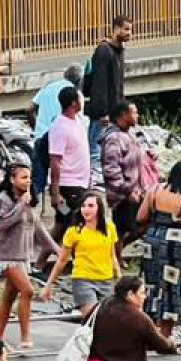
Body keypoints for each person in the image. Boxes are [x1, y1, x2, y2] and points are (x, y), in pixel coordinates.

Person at [0, 163, 60, 352]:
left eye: (29, 177)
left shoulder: (28, 201)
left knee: (8, 298)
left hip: (23, 257)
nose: (27, 181)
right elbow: (1, 225)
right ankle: (25, 335)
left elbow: (38, 227)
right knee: (27, 290)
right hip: (8, 256)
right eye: (23, 177)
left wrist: (55, 249)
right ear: (12, 179)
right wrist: (21, 205)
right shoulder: (4, 199)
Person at [135, 159, 181, 330]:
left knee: (152, 284)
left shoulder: (155, 190)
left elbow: (140, 218)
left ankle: (149, 330)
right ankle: (165, 334)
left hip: (153, 242)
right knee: (173, 288)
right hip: (178, 247)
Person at [84, 277, 176, 361]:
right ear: (130, 294)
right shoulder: (138, 318)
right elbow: (161, 345)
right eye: (142, 293)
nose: (145, 297)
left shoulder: (98, 308)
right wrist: (171, 343)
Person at [43, 192, 120, 311]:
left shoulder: (110, 228)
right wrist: (49, 285)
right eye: (83, 206)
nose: (86, 210)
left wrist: (120, 280)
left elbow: (113, 256)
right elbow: (61, 261)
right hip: (83, 279)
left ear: (99, 208)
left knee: (106, 320)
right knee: (92, 316)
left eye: (90, 206)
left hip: (106, 280)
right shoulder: (74, 232)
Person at [28, 64, 81, 201]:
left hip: (41, 136)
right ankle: (60, 205)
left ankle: (30, 209)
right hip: (61, 139)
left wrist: (37, 128)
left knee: (37, 179)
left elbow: (30, 108)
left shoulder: (48, 87)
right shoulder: (75, 95)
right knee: (62, 176)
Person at [99, 101, 149, 245]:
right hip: (123, 194)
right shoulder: (114, 138)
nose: (137, 116)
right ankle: (115, 257)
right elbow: (111, 168)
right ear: (124, 115)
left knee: (130, 228)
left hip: (135, 191)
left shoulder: (128, 134)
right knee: (125, 229)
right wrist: (126, 190)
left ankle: (116, 256)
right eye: (134, 113)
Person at [46, 86, 93, 230]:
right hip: (68, 185)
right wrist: (55, 193)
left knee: (62, 227)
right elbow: (55, 161)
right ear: (74, 103)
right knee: (75, 226)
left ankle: (45, 252)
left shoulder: (78, 121)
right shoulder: (60, 127)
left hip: (81, 183)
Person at [84, 16, 132, 152]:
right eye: (126, 29)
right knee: (96, 151)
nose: (129, 33)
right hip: (103, 117)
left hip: (114, 114)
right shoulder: (104, 51)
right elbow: (100, 84)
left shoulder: (119, 50)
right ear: (116, 29)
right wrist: (102, 112)